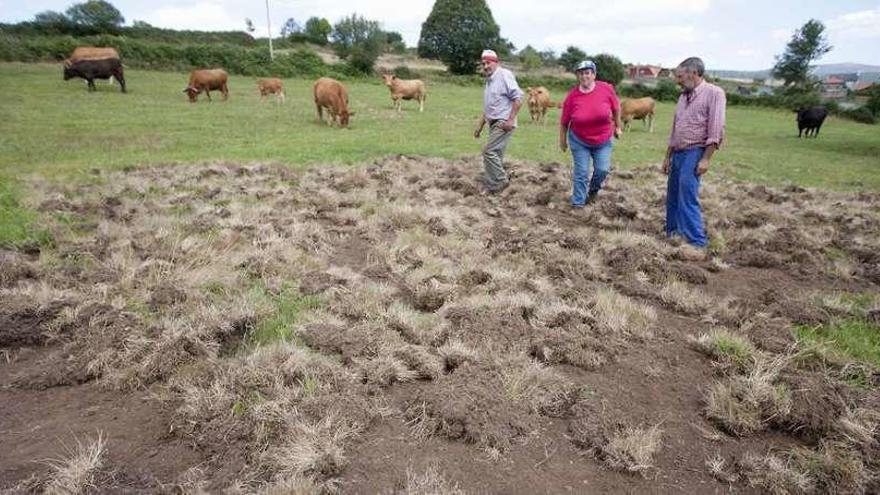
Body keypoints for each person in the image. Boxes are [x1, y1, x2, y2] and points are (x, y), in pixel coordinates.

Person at [663, 57, 726, 253]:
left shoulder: (714, 93)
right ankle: (672, 232)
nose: (677, 81)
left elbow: (716, 128)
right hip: (678, 152)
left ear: (693, 73)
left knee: (687, 194)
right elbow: (675, 129)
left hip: (696, 151)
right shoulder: (683, 97)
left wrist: (706, 158)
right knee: (672, 194)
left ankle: (697, 242)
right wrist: (667, 157)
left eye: (680, 76)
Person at [559, 60, 622, 208]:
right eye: (581, 73)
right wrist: (562, 141)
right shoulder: (572, 96)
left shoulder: (606, 89)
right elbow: (564, 122)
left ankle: (593, 191)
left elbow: (616, 108)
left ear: (594, 75)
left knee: (602, 170)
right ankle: (578, 203)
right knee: (581, 172)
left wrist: (618, 127)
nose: (584, 76)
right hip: (579, 140)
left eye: (587, 73)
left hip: (603, 140)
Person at [474, 49, 524, 194]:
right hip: (493, 122)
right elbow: (489, 107)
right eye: (483, 63)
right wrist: (480, 126)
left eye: (488, 63)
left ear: (496, 62)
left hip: (503, 122)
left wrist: (510, 120)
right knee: (496, 155)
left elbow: (518, 98)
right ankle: (494, 187)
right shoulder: (489, 80)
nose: (485, 66)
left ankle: (501, 181)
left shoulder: (504, 75)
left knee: (488, 152)